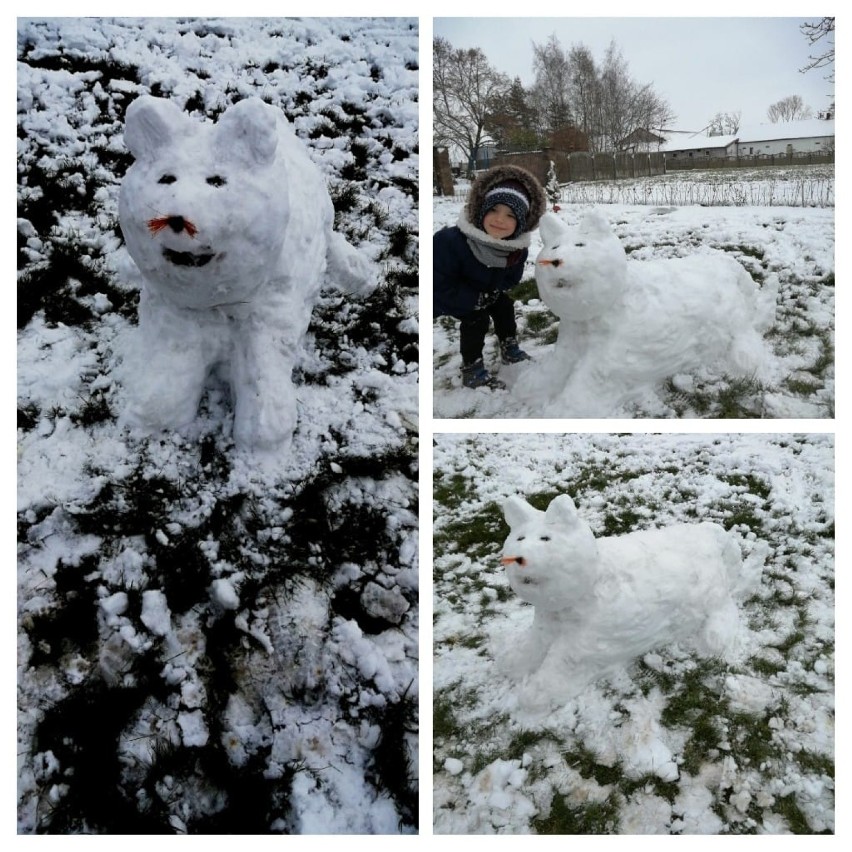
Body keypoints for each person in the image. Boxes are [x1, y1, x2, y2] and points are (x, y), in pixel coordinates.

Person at [434, 164, 547, 389]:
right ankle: (472, 369)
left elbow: (511, 278)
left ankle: (509, 346)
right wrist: (472, 299)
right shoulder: (450, 241)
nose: (499, 220)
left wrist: (492, 292)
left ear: (521, 223)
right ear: (482, 209)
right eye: (494, 210)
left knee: (504, 305)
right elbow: (437, 284)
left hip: (484, 291)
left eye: (511, 215)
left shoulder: (515, 248)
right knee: (477, 319)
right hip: (452, 295)